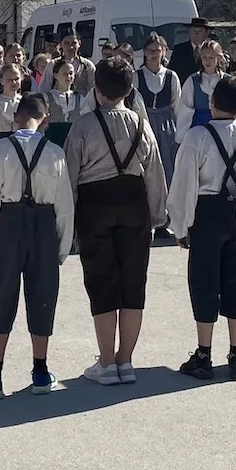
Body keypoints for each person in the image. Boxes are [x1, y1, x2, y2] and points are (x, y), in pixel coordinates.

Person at [64, 55, 168, 386]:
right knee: (134, 284)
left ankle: (107, 362)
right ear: (130, 89)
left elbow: (69, 176)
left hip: (95, 204)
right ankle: (126, 360)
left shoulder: (83, 126)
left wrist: (67, 222)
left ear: (96, 89)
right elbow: (155, 173)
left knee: (101, 281)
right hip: (134, 203)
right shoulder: (141, 123)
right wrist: (156, 217)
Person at [0, 92, 75, 397]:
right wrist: (62, 245)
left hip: (9, 223)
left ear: (15, 117)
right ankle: (40, 370)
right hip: (43, 225)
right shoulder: (54, 152)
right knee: (43, 293)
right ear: (46, 119)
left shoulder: (0, 149)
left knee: (1, 295)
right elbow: (64, 204)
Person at [167, 74, 236, 382]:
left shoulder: (197, 136)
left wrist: (180, 225)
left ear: (212, 101)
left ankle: (204, 353)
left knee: (204, 281)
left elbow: (184, 184)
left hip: (207, 212)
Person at [135, 38, 182, 184]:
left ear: (164, 52)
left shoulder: (171, 76)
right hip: (145, 122)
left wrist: (178, 133)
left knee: (167, 163)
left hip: (166, 126)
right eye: (150, 50)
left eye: (157, 50)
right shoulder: (137, 75)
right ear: (144, 52)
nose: (154, 54)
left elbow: (177, 105)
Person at [176, 38, 225, 137]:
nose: (207, 60)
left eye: (211, 57)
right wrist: (181, 137)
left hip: (222, 126)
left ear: (219, 58)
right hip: (199, 127)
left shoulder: (226, 81)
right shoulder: (193, 80)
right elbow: (185, 110)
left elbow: (234, 109)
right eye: (204, 57)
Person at [41, 56, 83, 146]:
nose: (68, 76)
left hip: (74, 144)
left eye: (71, 73)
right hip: (52, 143)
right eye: (64, 73)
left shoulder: (80, 99)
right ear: (55, 75)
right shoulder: (47, 98)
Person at [169, 19, 212, 86]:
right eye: (194, 31)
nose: (196, 34)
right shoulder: (179, 49)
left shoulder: (211, 50)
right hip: (184, 88)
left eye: (200, 31)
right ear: (189, 31)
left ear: (207, 33)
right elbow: (172, 72)